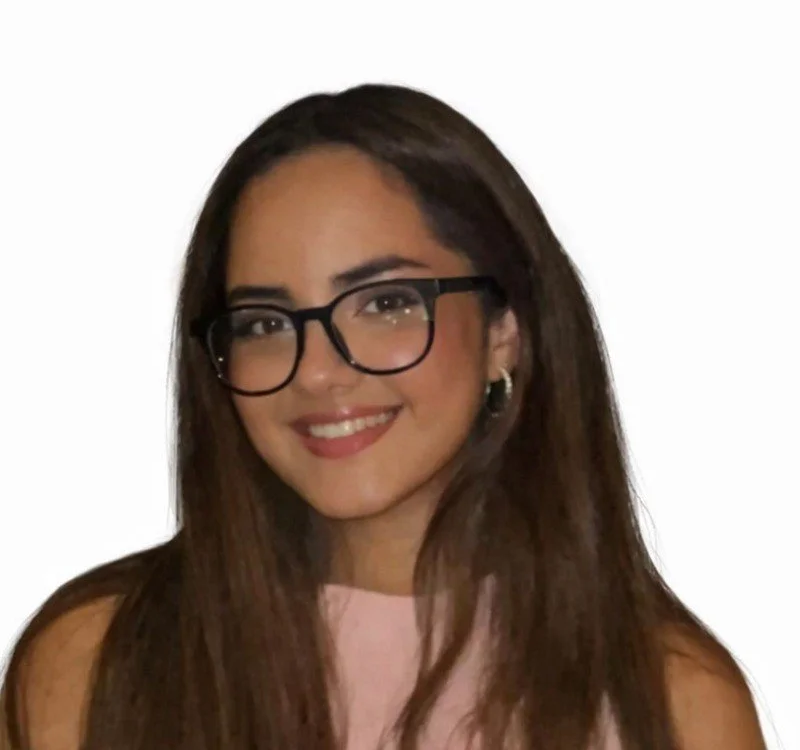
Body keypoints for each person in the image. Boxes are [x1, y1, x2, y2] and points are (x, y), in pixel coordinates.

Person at [0, 84, 766, 749]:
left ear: (507, 330)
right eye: (264, 321)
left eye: (387, 303)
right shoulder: (99, 661)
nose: (322, 370)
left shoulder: (672, 704)